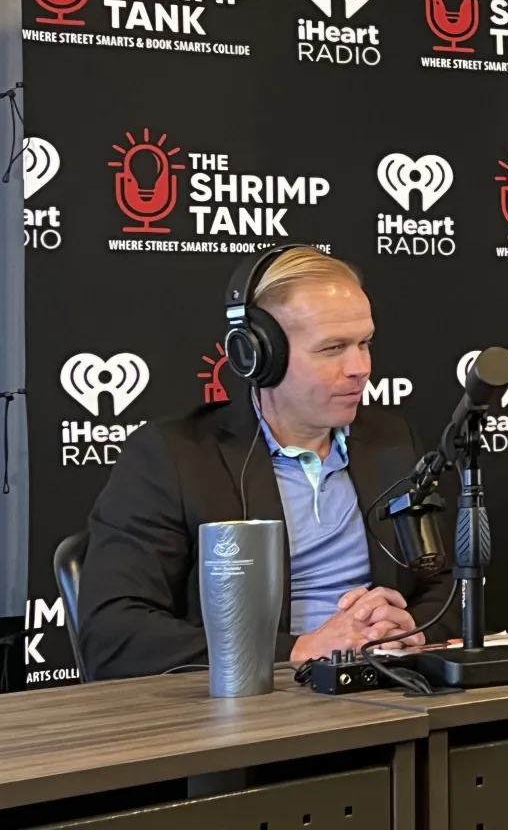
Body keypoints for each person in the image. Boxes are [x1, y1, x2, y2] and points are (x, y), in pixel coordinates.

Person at [77, 246, 458, 679]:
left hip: (382, 691)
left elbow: (444, 584)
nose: (360, 368)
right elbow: (113, 634)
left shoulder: (390, 441)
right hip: (250, 710)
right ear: (259, 355)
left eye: (365, 343)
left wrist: (413, 630)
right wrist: (300, 649)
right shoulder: (174, 456)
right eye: (332, 348)